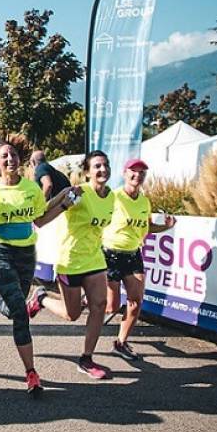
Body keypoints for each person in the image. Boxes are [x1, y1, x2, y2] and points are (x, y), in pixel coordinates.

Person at [0, 136, 78, 395]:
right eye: (4, 156)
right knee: (20, 314)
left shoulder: (31, 189)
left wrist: (64, 202)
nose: (10, 159)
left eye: (14, 155)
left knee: (13, 311)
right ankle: (31, 372)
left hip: (27, 255)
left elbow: (40, 219)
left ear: (20, 160)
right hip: (0, 254)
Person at [30, 150, 114, 380]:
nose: (102, 169)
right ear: (87, 172)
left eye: (105, 165)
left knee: (99, 305)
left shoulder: (112, 197)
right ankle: (41, 298)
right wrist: (64, 203)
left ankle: (87, 359)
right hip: (70, 261)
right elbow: (40, 219)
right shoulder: (77, 192)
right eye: (97, 166)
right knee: (72, 314)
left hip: (95, 260)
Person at [102, 158, 176, 361]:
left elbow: (146, 226)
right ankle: (87, 297)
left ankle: (121, 342)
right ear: (125, 173)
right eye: (133, 171)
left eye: (142, 172)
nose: (138, 175)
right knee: (111, 307)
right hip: (110, 253)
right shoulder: (113, 196)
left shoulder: (144, 201)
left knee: (136, 302)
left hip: (133, 255)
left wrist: (166, 227)